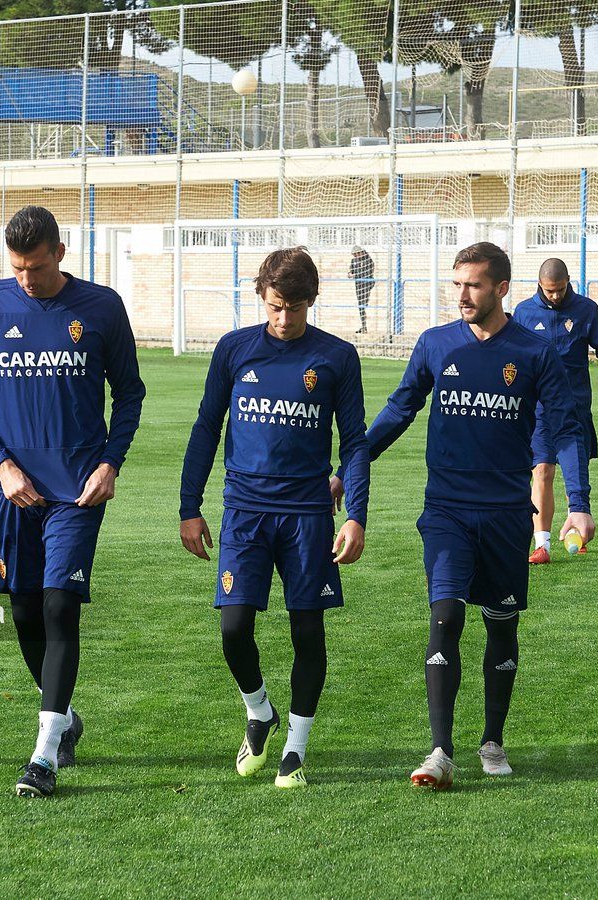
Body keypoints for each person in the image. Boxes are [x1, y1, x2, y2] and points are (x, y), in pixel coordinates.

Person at [332, 241, 594, 790]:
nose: (463, 295)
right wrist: (347, 465)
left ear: (501, 289)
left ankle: (492, 739)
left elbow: (567, 429)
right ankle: (440, 751)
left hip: (505, 515)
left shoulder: (533, 353)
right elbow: (400, 408)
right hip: (446, 510)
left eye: (474, 285)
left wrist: (580, 505)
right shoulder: (435, 344)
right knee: (446, 617)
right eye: (457, 284)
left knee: (501, 625)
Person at [0, 206, 146, 797]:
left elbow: (130, 393)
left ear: (60, 253)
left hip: (78, 490)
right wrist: (2, 465)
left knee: (61, 605)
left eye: (36, 267)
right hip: (15, 489)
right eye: (17, 268)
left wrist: (110, 462)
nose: (27, 280)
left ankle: (43, 756)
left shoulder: (101, 306)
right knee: (25, 612)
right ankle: (62, 716)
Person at [180, 247, 369, 789]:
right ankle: (259, 710)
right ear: (262, 297)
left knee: (307, 630)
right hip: (244, 512)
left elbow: (354, 443)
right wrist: (189, 507)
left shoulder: (336, 356)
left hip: (308, 515)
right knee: (234, 628)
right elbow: (205, 429)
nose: (285, 319)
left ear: (312, 300)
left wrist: (355, 514)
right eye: (276, 307)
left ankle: (295, 750)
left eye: (296, 307)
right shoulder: (234, 349)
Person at [512, 258, 598, 563]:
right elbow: (513, 352)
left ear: (569, 281)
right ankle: (542, 544)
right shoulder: (524, 312)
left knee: (576, 471)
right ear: (539, 284)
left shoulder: (586, 310)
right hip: (539, 409)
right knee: (542, 470)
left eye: (560, 289)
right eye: (550, 290)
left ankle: (579, 521)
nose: (555, 296)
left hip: (573, 407)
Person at [349, 246, 375, 334]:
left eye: (357, 254)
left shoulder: (368, 260)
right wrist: (350, 274)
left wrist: (355, 275)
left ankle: (365, 326)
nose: (356, 256)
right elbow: (351, 270)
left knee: (364, 304)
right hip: (358, 285)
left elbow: (367, 273)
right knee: (361, 306)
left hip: (367, 285)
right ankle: (363, 326)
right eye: (354, 254)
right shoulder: (354, 260)